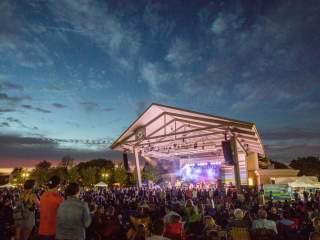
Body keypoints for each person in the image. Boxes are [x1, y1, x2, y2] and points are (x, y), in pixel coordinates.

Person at [39, 176, 64, 240]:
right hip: (53, 231)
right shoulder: (58, 198)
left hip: (42, 230)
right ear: (58, 185)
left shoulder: (42, 196)